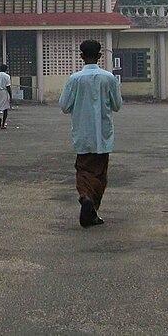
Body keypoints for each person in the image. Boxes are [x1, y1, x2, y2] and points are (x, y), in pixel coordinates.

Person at [59, 39, 122, 228]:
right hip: (102, 133)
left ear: (81, 56)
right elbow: (117, 105)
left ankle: (86, 197)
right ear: (100, 56)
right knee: (100, 173)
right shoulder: (109, 78)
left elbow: (64, 106)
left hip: (83, 132)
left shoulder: (75, 79)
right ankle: (92, 205)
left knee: (84, 169)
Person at [0, 64, 13, 129]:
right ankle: (3, 124)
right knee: (5, 109)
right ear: (6, 69)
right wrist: (10, 96)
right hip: (4, 93)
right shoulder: (7, 76)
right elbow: (8, 86)